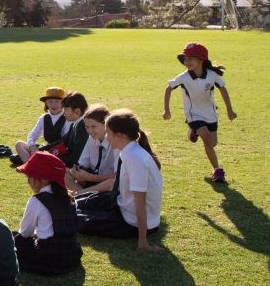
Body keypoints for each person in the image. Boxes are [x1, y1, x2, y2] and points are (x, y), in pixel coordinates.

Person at [74, 109, 163, 251]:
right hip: (120, 203)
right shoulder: (127, 150)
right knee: (81, 201)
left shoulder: (135, 158)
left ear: (120, 135)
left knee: (77, 220)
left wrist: (143, 241)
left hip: (131, 221)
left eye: (108, 132)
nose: (106, 136)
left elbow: (140, 201)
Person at [163, 42, 237, 183]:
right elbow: (168, 88)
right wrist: (166, 109)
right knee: (207, 141)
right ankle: (217, 170)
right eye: (186, 58)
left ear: (201, 60)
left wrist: (230, 110)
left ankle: (193, 131)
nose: (187, 61)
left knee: (212, 143)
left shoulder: (211, 76)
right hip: (193, 114)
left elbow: (223, 89)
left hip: (210, 114)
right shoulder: (184, 77)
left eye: (191, 58)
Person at [13, 151, 82, 275]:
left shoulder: (36, 201)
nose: (28, 181)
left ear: (44, 180)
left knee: (15, 240)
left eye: (30, 176)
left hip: (49, 259)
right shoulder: (70, 198)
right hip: (71, 256)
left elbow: (25, 233)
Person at [65, 105, 118, 195]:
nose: (89, 131)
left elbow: (117, 176)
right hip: (92, 180)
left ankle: (80, 194)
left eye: (93, 127)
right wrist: (77, 171)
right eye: (87, 127)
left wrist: (89, 177)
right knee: (64, 174)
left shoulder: (116, 142)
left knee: (111, 183)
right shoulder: (92, 138)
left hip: (107, 183)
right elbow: (84, 163)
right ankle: (83, 196)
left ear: (106, 124)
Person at [12, 86, 68, 163]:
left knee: (16, 158)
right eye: (50, 101)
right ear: (46, 103)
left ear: (63, 103)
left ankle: (30, 163)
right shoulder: (44, 117)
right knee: (19, 144)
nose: (53, 104)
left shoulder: (67, 117)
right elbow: (32, 135)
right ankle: (32, 164)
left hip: (58, 151)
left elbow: (65, 140)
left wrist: (44, 149)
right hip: (44, 149)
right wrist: (32, 146)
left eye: (57, 101)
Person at [58, 91, 90, 168]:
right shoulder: (75, 124)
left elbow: (76, 158)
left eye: (66, 109)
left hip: (78, 168)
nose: (63, 113)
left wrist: (55, 159)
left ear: (77, 111)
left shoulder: (83, 127)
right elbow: (62, 141)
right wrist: (42, 149)